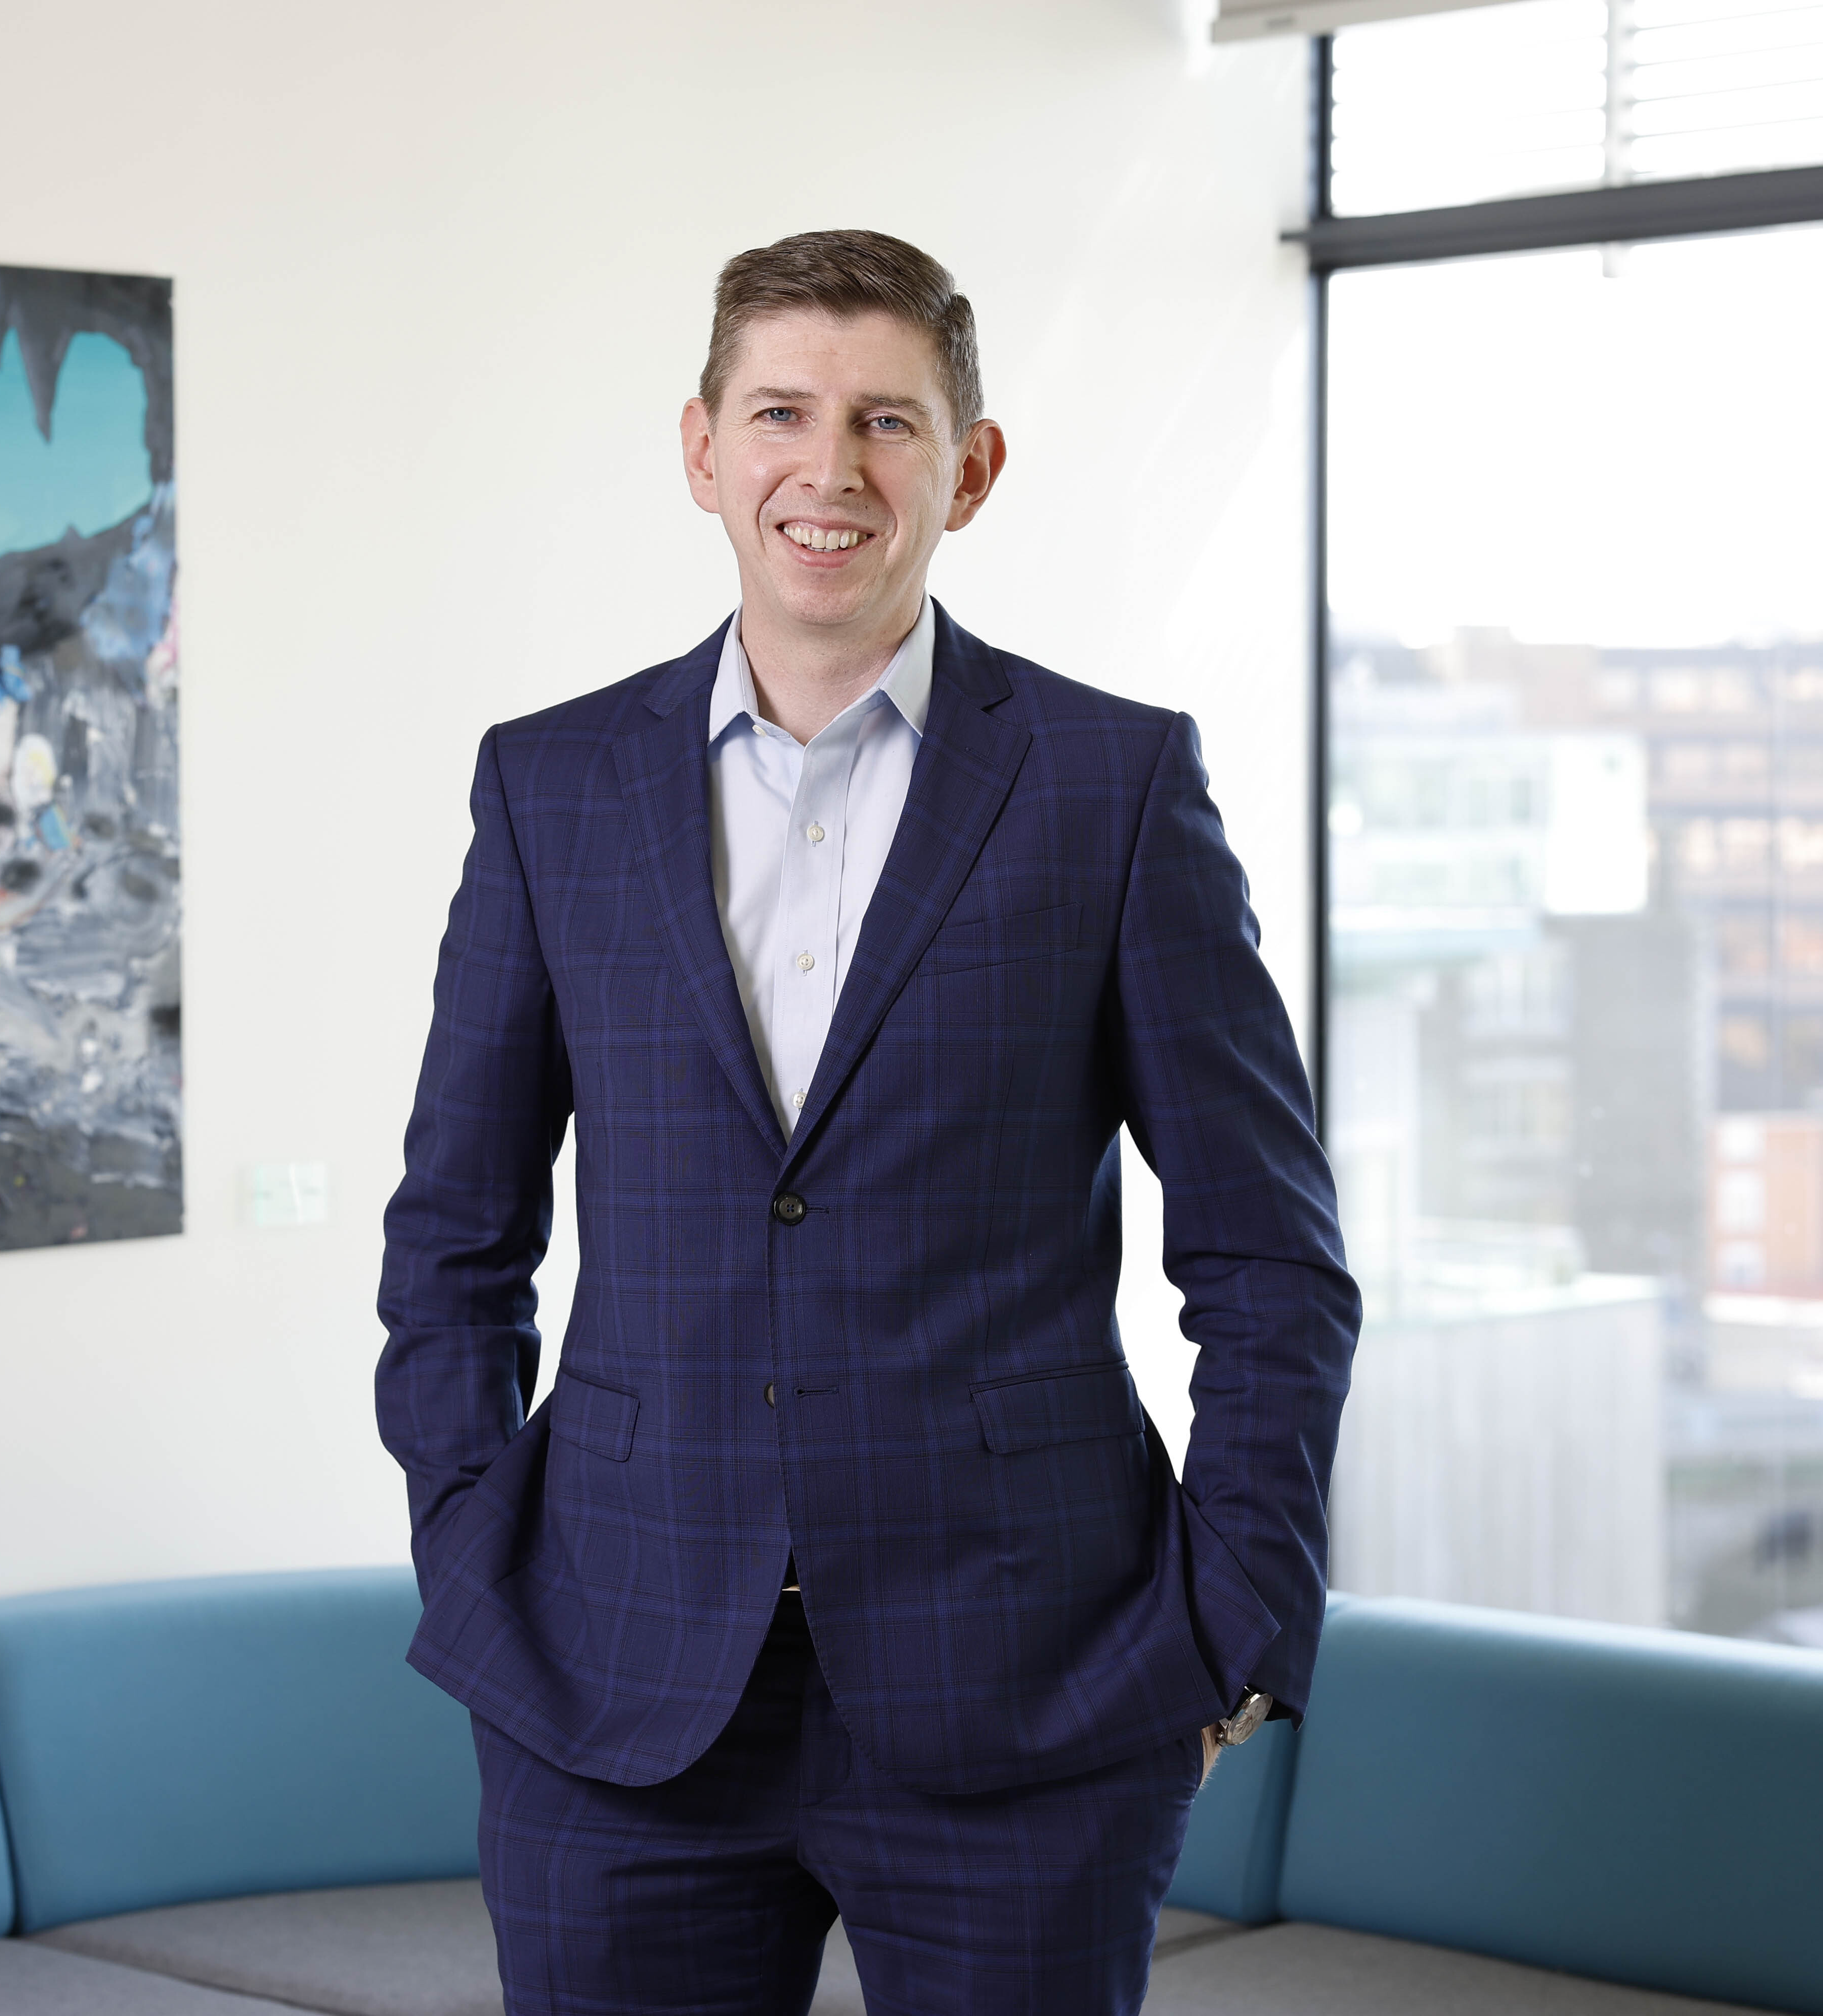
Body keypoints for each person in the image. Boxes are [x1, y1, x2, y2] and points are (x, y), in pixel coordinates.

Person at [375, 229, 1358, 2014]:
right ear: (702, 450)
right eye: (781, 414)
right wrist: (472, 1553)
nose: (828, 469)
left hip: (1033, 1689)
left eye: (887, 422)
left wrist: (1233, 1624)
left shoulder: (1114, 785)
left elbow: (1270, 1258)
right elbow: (455, 1231)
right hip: (612, 1685)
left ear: (970, 469)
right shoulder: (550, 785)